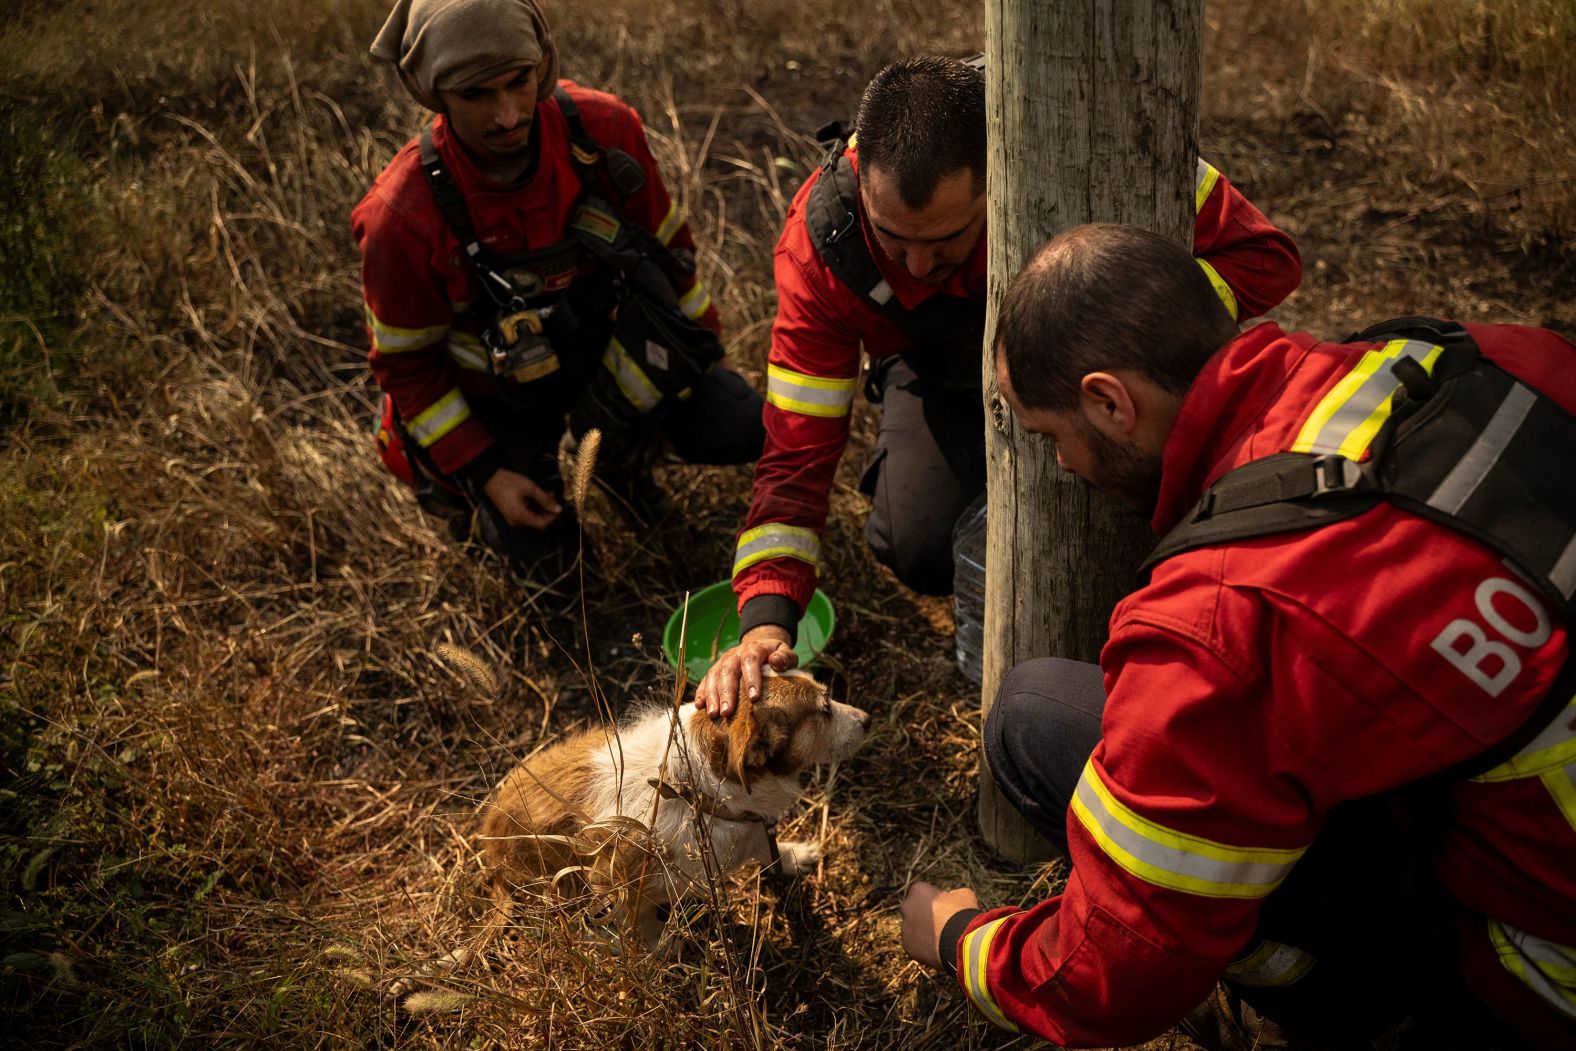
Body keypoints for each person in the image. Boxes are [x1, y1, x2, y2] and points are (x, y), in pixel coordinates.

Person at [899, 223, 1576, 1051]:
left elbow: (1109, 978)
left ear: (1111, 401)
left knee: (1038, 714)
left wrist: (957, 937)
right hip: (1525, 829)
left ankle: (1377, 1020)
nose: (1063, 464)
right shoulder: (1479, 358)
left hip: (1539, 975)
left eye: (1050, 436)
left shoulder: (1223, 614)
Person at [694, 55, 1303, 715]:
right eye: (894, 242)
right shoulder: (824, 243)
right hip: (943, 373)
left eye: (948, 239)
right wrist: (766, 618)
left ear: (1002, 176)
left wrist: (1127, 324)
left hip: (1095, 362)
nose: (920, 265)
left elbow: (1265, 259)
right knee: (920, 544)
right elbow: (795, 448)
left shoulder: (1093, 153)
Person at [353, 0, 764, 575]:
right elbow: (406, 368)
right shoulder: (401, 215)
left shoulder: (605, 131)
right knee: (558, 574)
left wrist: (699, 362)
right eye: (475, 95)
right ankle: (459, 498)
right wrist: (484, 472)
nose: (506, 115)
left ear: (541, 64)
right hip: (496, 404)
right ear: (433, 94)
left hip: (600, 369)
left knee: (742, 420)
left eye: (519, 82)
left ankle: (619, 461)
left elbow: (672, 261)